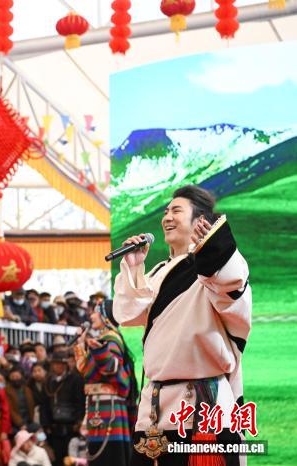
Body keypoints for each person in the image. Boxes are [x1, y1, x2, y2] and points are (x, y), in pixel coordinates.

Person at [113, 185, 251, 466]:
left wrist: (210, 247)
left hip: (200, 407)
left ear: (200, 221)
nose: (167, 217)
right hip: (154, 409)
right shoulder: (156, 273)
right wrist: (134, 266)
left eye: (176, 210)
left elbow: (232, 283)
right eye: (165, 212)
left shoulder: (213, 269)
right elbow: (126, 314)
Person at [73, 304, 137, 466]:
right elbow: (85, 369)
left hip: (108, 406)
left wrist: (99, 351)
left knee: (108, 455)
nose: (91, 316)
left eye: (96, 312)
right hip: (99, 404)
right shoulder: (104, 339)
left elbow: (112, 369)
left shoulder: (111, 339)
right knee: (102, 453)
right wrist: (80, 343)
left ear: (105, 317)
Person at [45, 351, 85, 466]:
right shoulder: (49, 381)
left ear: (66, 364)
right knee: (56, 460)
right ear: (52, 365)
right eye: (56, 363)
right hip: (54, 429)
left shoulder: (75, 379)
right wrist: (46, 424)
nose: (59, 366)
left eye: (62, 363)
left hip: (71, 428)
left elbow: (80, 402)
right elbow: (45, 405)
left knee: (71, 460)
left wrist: (79, 421)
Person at [5, 366, 35, 434]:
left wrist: (31, 420)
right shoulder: (7, 390)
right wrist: (20, 423)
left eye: (17, 376)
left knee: (41, 434)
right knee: (24, 436)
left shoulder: (27, 389)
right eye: (13, 376)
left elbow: (32, 406)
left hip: (29, 421)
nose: (15, 378)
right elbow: (10, 410)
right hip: (15, 424)